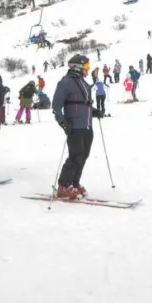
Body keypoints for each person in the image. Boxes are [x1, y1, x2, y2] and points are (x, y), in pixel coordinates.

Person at [53, 54, 100, 198]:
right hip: (74, 126)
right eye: (86, 66)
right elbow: (56, 105)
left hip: (87, 126)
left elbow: (82, 104)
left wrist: (93, 111)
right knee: (75, 156)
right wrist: (63, 122)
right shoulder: (65, 83)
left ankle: (74, 182)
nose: (88, 69)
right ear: (78, 67)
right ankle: (63, 185)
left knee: (83, 156)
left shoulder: (84, 83)